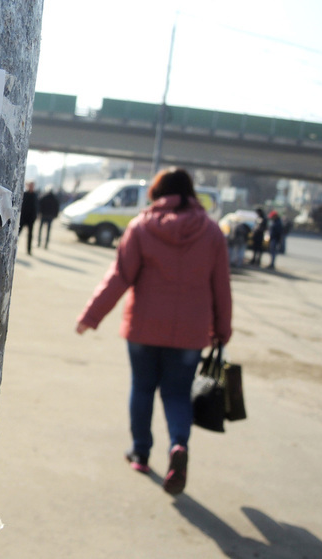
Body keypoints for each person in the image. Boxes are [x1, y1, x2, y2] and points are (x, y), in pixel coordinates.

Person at [74, 168, 232, 496]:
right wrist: (222, 329)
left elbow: (120, 276)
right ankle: (178, 445)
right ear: (190, 193)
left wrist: (91, 316)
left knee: (143, 388)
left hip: (143, 329)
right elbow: (221, 286)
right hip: (190, 332)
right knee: (177, 393)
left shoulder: (141, 227)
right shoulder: (212, 232)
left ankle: (140, 452)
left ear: (156, 193)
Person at [19, 181, 38, 255]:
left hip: (31, 219)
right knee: (18, 233)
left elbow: (36, 207)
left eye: (32, 186)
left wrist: (35, 217)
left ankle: (29, 250)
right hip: (23, 217)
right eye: (30, 185)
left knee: (30, 235)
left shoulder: (35, 195)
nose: (31, 187)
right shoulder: (24, 194)